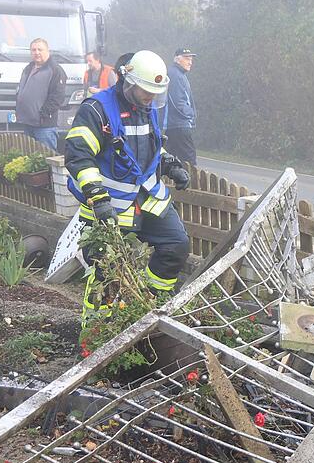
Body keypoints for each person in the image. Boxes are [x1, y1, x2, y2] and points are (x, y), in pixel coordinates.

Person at [64, 49, 192, 312]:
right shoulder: (96, 110)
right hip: (108, 204)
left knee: (176, 246)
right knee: (106, 270)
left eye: (155, 92)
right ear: (128, 82)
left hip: (148, 196)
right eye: (146, 91)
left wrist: (170, 164)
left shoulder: (147, 107)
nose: (151, 97)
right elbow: (79, 156)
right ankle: (99, 327)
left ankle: (151, 308)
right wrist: (98, 198)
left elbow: (148, 147)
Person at [15, 38, 66, 151]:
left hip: (44, 126)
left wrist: (43, 114)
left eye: (40, 49)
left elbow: (57, 97)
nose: (36, 52)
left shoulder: (55, 70)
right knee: (29, 157)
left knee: (46, 157)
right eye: (33, 50)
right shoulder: (28, 68)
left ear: (47, 51)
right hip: (28, 123)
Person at [164, 48, 198, 167]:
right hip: (179, 124)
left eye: (191, 59)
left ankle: (164, 176)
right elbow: (177, 102)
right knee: (189, 160)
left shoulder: (178, 74)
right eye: (187, 59)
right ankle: (189, 178)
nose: (190, 62)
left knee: (168, 158)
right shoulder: (176, 75)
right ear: (177, 59)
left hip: (174, 124)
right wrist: (191, 114)